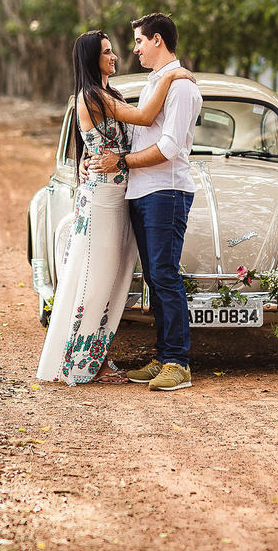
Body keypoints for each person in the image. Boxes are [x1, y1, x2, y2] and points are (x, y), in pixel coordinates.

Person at [36, 30, 194, 386]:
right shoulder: (92, 95)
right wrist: (171, 75)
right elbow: (144, 117)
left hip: (121, 195)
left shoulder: (111, 94)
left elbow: (131, 135)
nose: (115, 56)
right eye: (107, 52)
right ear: (92, 58)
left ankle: (96, 356)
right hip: (102, 199)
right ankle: (82, 362)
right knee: (94, 280)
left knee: (114, 282)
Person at [87, 13, 202, 391]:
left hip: (166, 190)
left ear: (157, 40)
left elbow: (169, 148)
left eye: (138, 40)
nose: (134, 49)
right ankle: (164, 356)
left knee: (165, 275)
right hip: (142, 191)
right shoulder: (158, 81)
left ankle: (178, 363)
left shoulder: (180, 87)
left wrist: (120, 162)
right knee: (155, 277)